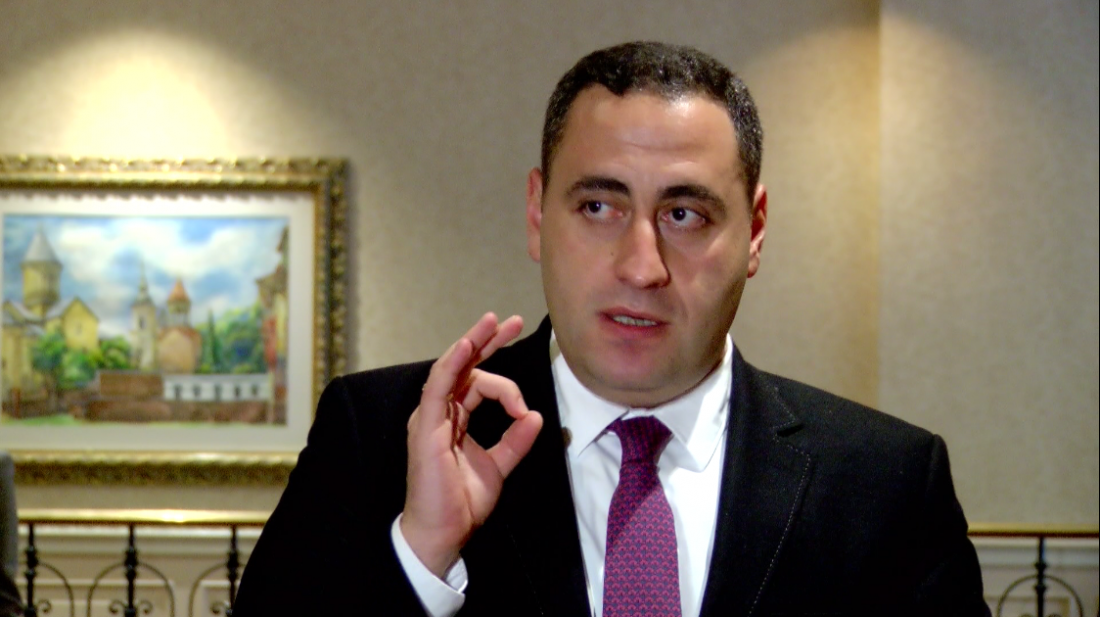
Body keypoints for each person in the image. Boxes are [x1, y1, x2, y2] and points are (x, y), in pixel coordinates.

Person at [235, 41, 991, 616]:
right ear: (538, 214)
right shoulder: (378, 436)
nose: (641, 266)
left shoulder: (887, 482)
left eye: (685, 214)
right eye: (598, 207)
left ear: (755, 231)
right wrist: (421, 557)